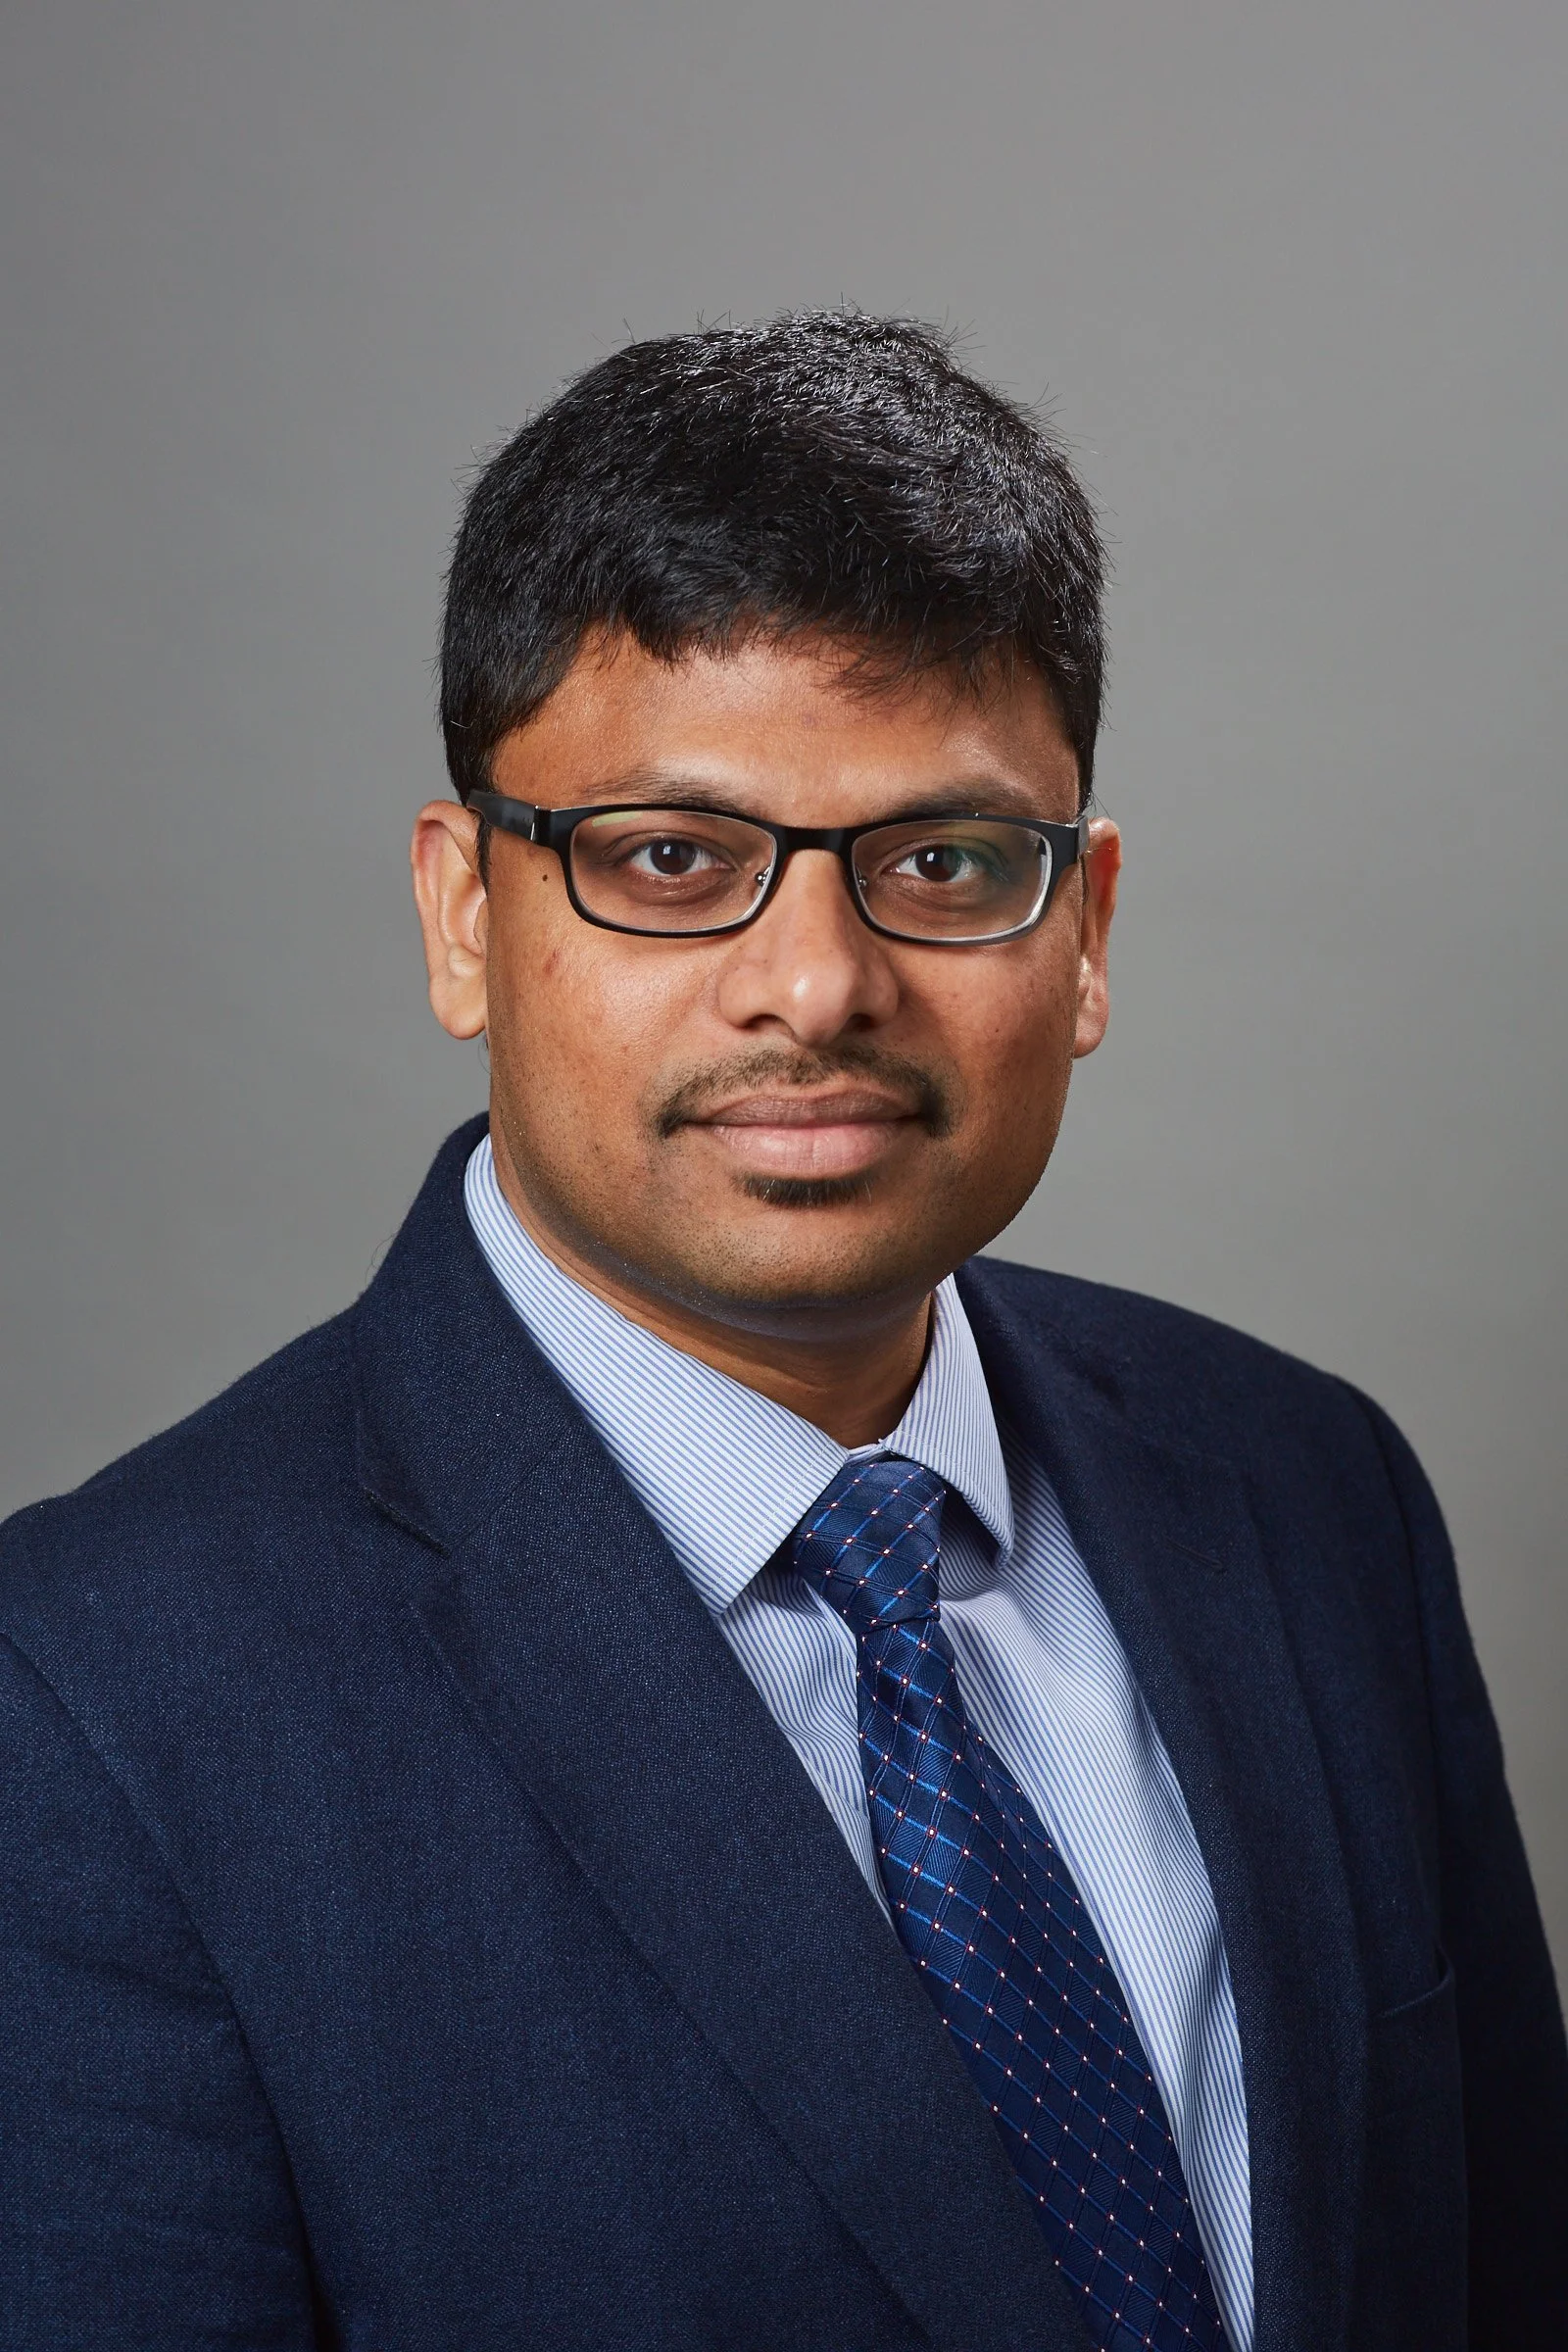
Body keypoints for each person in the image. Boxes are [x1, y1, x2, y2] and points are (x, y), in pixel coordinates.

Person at [1, 313, 1562, 2352]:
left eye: (943, 860)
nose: (815, 986)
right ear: (464, 914)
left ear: (1084, 931)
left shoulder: (1308, 1492)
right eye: (671, 859)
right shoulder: (95, 1707)